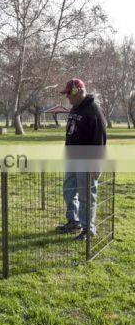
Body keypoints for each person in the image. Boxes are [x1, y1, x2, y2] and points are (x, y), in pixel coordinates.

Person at [57, 78, 107, 241]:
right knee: (69, 190)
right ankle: (74, 221)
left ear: (77, 91)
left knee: (86, 194)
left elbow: (100, 140)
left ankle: (88, 229)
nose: (68, 98)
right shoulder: (75, 109)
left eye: (69, 94)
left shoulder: (93, 111)